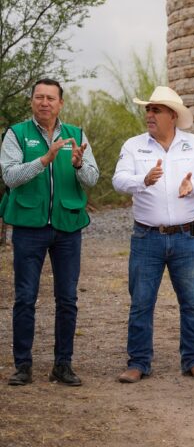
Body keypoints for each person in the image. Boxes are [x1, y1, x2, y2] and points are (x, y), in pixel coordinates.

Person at [0, 78, 99, 386]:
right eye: (39, 97)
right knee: (25, 298)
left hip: (68, 227)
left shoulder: (77, 135)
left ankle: (63, 365)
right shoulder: (17, 134)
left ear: (61, 104)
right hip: (29, 228)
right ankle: (23, 365)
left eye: (51, 98)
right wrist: (44, 160)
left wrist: (80, 165)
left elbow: (94, 179)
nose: (44, 103)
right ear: (32, 101)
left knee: (67, 299)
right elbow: (10, 176)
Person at [112, 86, 194, 383]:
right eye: (148, 109)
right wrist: (142, 180)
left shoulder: (192, 144)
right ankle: (138, 362)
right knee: (141, 302)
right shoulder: (134, 145)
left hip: (187, 237)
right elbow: (118, 180)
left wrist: (192, 187)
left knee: (192, 302)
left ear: (173, 115)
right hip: (147, 237)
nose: (149, 114)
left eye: (156, 110)